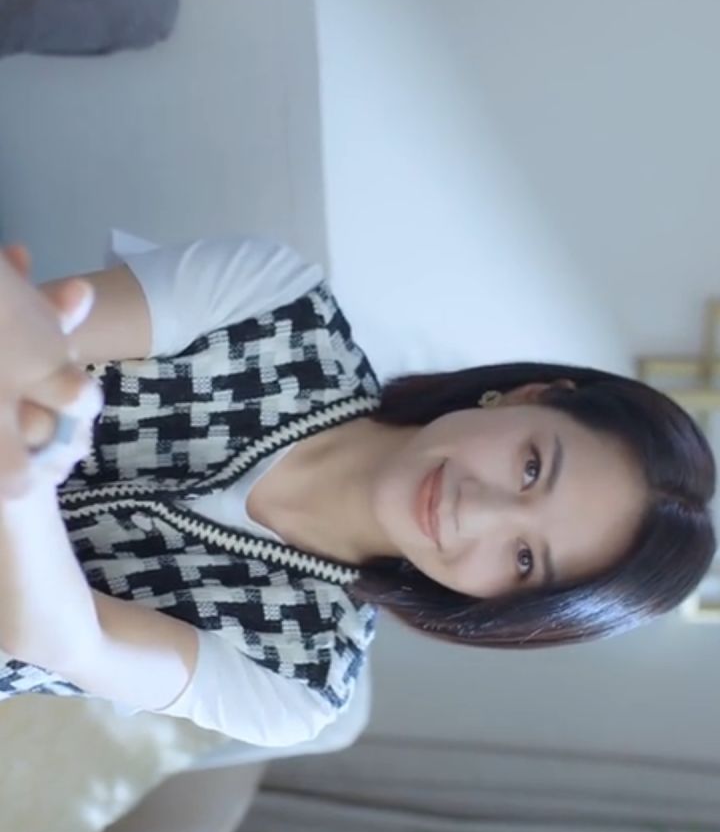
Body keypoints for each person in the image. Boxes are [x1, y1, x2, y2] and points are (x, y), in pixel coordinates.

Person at [0, 231, 715, 753]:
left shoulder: (300, 679)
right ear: (530, 396)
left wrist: (25, 472)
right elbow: (21, 336)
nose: (475, 510)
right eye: (530, 468)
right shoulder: (274, 309)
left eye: (524, 559)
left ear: (503, 605)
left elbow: (62, 639)